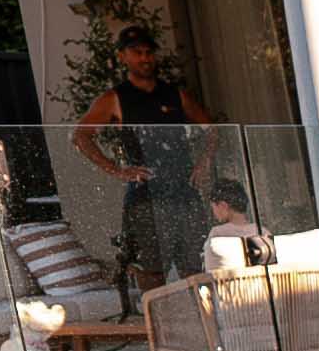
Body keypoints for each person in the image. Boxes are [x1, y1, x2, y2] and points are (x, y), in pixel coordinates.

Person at [76, 30, 218, 283]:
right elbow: (81, 136)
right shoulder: (114, 99)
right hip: (145, 195)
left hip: (184, 191)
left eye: (148, 52)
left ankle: (202, 319)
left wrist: (204, 161)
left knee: (196, 265)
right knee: (152, 271)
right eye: (137, 52)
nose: (145, 58)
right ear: (123, 56)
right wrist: (116, 169)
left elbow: (212, 129)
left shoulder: (175, 95)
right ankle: (157, 321)